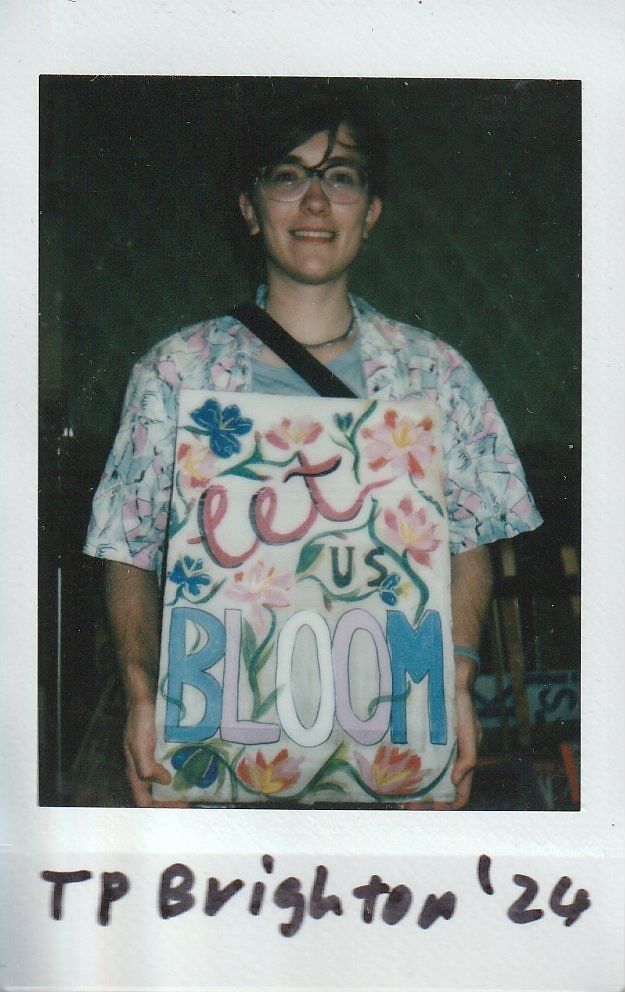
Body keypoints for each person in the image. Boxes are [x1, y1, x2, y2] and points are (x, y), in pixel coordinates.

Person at [84, 92, 542, 808]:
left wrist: (453, 680)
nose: (316, 203)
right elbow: (127, 549)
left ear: (372, 210)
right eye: (287, 175)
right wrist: (143, 696)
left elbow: (466, 541)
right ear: (248, 207)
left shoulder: (433, 375)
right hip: (215, 750)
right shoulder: (176, 372)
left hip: (392, 749)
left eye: (342, 176)